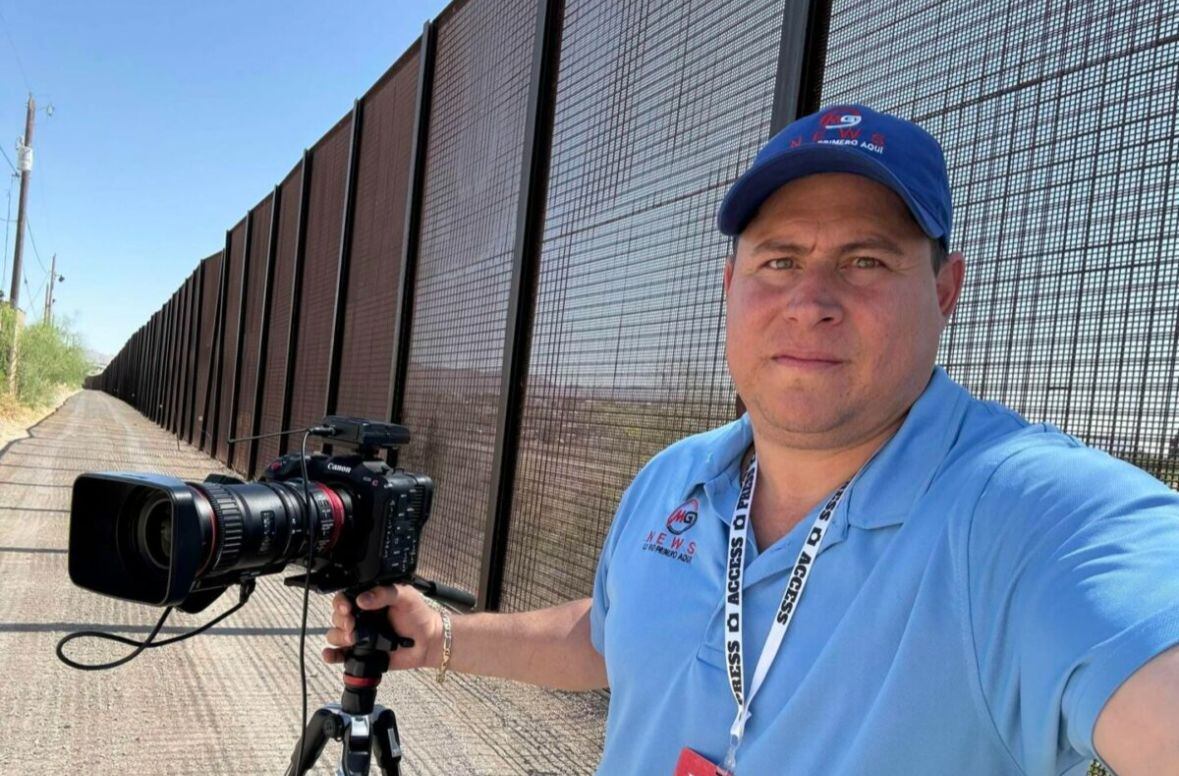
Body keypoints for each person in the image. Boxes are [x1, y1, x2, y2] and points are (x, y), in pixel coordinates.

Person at [323, 104, 1179, 775]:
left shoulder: (1036, 516)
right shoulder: (677, 476)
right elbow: (617, 637)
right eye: (778, 260)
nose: (810, 301)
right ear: (730, 284)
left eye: (866, 261)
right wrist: (444, 638)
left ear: (944, 290)